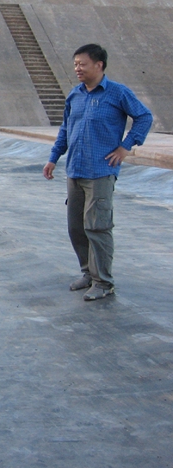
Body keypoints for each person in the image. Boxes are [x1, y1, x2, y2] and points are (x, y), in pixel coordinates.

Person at [43, 44, 152, 301]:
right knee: (76, 227)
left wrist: (125, 147)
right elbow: (65, 130)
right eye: (75, 64)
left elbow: (144, 117)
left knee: (98, 227)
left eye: (82, 64)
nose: (77, 69)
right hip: (76, 170)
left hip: (101, 171)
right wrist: (53, 158)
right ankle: (88, 273)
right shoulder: (75, 95)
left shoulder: (117, 93)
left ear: (99, 65)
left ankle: (104, 282)